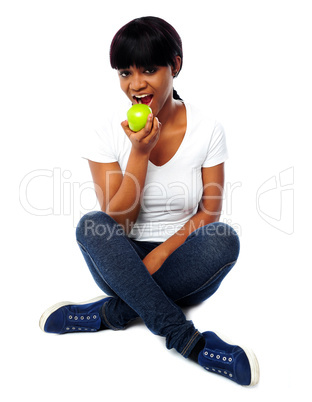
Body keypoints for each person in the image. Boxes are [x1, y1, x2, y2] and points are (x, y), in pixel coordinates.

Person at [39, 16, 259, 386]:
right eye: (125, 73)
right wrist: (138, 154)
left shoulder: (208, 129)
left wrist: (162, 253)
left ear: (175, 66)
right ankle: (188, 341)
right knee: (91, 226)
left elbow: (210, 211)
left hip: (183, 260)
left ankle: (108, 314)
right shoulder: (105, 132)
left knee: (225, 238)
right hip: (120, 260)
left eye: (150, 70)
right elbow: (117, 224)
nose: (136, 84)